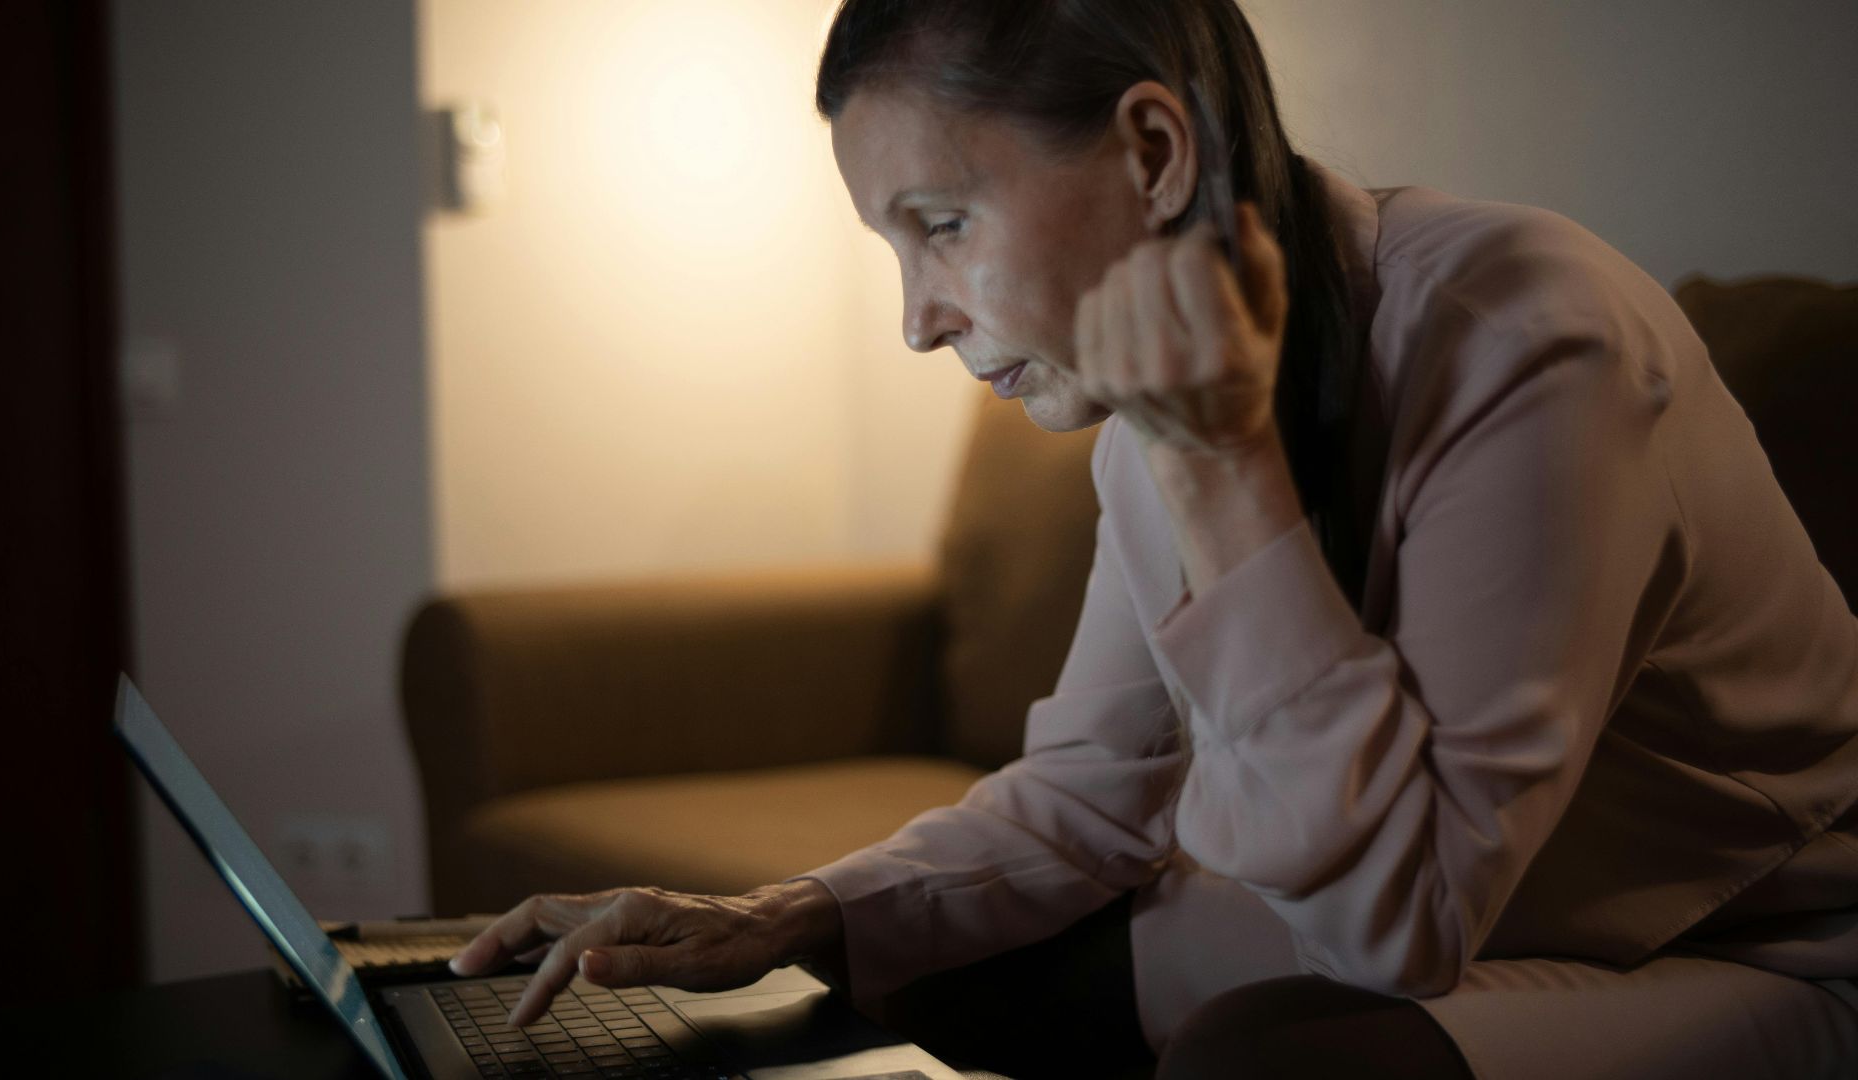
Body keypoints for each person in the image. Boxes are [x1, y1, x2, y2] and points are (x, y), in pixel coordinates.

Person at [451, 1, 1858, 1076]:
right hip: (1474, 932)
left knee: (1283, 1063)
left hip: (1754, 955)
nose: (916, 318)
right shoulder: (1148, 421)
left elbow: (1402, 926)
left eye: (941, 224)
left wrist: (1217, 460)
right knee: (866, 977)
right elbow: (1096, 790)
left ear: (1153, 151)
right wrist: (782, 911)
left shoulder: (1528, 339)